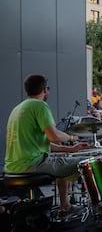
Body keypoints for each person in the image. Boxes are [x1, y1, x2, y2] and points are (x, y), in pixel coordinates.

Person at [4, 74, 91, 214]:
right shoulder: (40, 105)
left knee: (63, 161)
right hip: (30, 164)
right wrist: (72, 138)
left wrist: (71, 149)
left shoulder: (18, 108)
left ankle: (65, 206)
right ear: (44, 90)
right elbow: (54, 136)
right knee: (85, 163)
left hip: (13, 165)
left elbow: (40, 144)